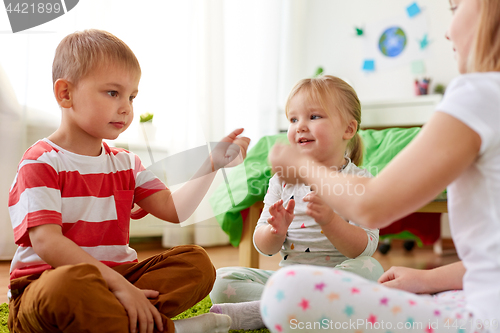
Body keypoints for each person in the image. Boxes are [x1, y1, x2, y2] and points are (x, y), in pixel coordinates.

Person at [262, 0, 500, 332]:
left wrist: (298, 164)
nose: (447, 31)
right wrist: (428, 278)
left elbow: (370, 206)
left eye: (454, 9)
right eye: (294, 119)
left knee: (284, 294)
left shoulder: (480, 93)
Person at [7, 29, 250, 333]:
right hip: (48, 285)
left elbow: (175, 210)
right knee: (66, 286)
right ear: (65, 93)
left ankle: (120, 321)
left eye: (132, 96)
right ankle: (169, 328)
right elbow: (47, 242)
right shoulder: (41, 161)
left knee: (196, 263)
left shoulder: (126, 163)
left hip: (118, 279)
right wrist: (121, 288)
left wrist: (211, 165)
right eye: (113, 93)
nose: (126, 107)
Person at [209, 75, 384, 330]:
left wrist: (330, 220)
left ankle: (269, 310)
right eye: (293, 119)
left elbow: (365, 249)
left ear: (348, 129)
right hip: (288, 279)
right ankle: (307, 309)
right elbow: (263, 246)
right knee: (221, 281)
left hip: (337, 278)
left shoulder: (359, 180)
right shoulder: (282, 181)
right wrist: (274, 231)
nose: (300, 126)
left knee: (371, 269)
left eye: (314, 117)